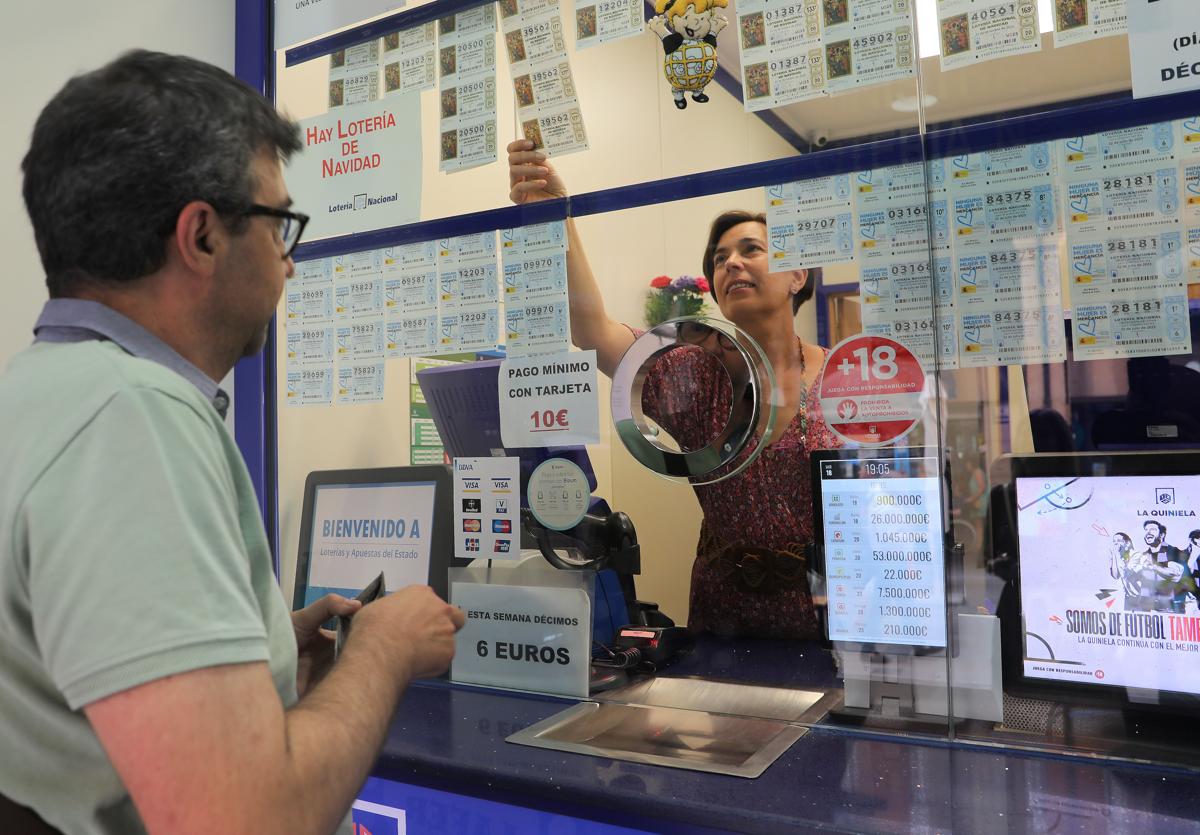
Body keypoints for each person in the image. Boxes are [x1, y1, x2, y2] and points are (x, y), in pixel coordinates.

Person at [0, 51, 465, 834]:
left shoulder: (35, 394)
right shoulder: (133, 417)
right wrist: (379, 652)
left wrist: (260, 651)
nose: (289, 260)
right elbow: (242, 817)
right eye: (280, 223)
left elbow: (71, 672)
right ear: (203, 236)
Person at [507, 139, 841, 639]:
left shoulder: (845, 378)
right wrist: (559, 217)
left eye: (751, 250)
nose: (731, 264)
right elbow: (592, 330)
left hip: (830, 615)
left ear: (798, 274)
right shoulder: (694, 374)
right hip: (722, 621)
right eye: (719, 258)